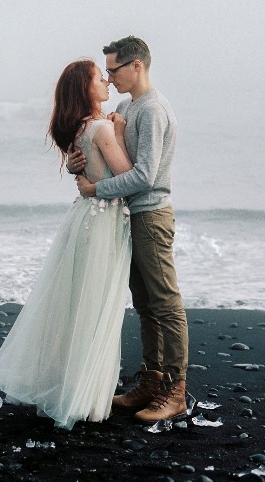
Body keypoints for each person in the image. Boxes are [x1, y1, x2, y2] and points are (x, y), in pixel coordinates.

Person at [0, 58, 133, 429]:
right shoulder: (100, 127)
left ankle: (69, 386)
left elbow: (89, 167)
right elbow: (130, 175)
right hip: (103, 223)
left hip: (84, 218)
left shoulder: (80, 128)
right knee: (96, 309)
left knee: (76, 307)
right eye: (97, 78)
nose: (105, 81)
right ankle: (84, 396)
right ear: (84, 90)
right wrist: (119, 128)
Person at [70, 35, 187, 424]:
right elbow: (105, 154)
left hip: (151, 215)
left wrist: (95, 189)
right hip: (127, 218)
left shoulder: (153, 110)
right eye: (106, 71)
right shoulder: (125, 106)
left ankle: (176, 390)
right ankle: (151, 383)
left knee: (165, 304)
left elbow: (145, 176)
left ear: (136, 66)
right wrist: (77, 164)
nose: (110, 77)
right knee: (145, 305)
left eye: (114, 69)